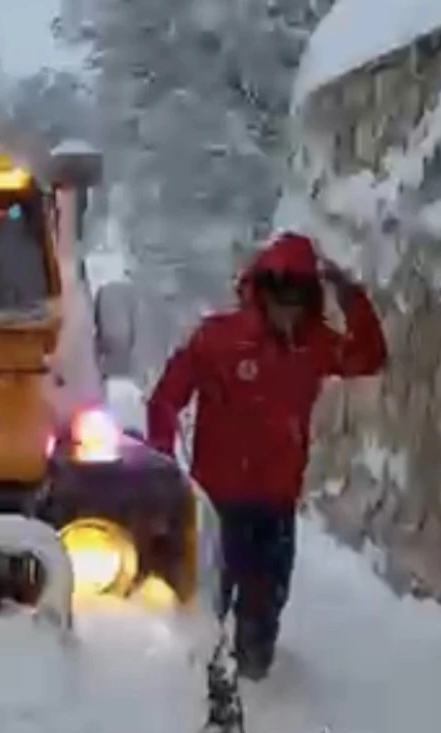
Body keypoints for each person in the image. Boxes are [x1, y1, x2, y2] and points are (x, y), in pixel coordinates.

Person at [146, 231, 387, 680]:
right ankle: (201, 685)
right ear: (262, 290)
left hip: (275, 503)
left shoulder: (314, 346)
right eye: (280, 295)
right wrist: (162, 464)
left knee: (265, 607)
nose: (288, 309)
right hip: (217, 499)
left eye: (299, 297)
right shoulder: (219, 339)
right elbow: (165, 398)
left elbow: (369, 357)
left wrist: (351, 295)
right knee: (207, 604)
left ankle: (257, 689)